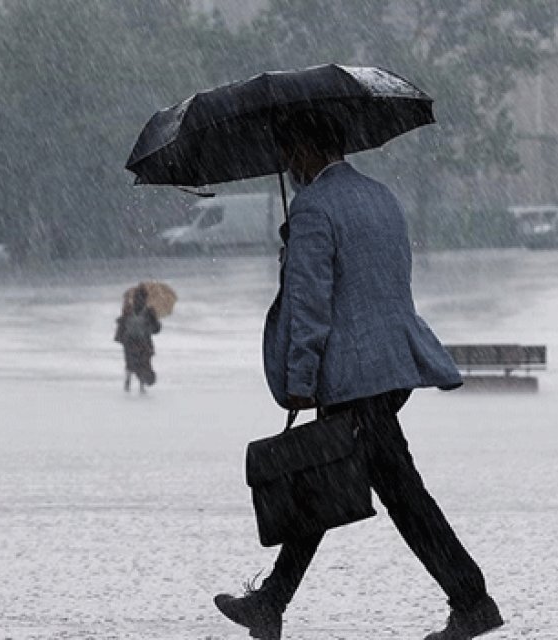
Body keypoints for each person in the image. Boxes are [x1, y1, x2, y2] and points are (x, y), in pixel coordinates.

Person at [213, 111, 502, 640]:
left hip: (350, 377)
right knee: (329, 479)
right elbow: (381, 283)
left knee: (397, 494)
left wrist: (300, 378)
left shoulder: (314, 208)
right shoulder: (381, 197)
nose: (286, 164)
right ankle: (272, 602)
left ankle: (472, 600)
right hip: (390, 368)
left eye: (288, 152)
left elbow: (309, 305)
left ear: (306, 148)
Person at [114, 284, 161, 393]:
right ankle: (136, 384)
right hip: (137, 342)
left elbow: (155, 329)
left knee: (135, 363)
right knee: (138, 363)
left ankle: (133, 383)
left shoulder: (136, 311)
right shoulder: (138, 311)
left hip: (136, 342)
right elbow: (156, 329)